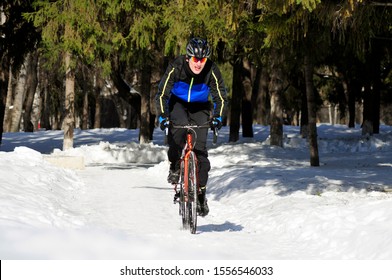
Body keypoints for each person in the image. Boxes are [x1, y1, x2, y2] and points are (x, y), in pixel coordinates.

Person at [155, 37, 227, 217]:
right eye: (195, 59)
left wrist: (218, 118)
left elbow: (221, 98)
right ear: (188, 58)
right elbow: (162, 93)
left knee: (200, 151)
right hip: (177, 104)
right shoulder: (177, 66)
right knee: (176, 139)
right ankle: (175, 166)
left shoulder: (211, 69)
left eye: (202, 60)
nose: (199, 64)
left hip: (200, 107)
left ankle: (201, 193)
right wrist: (163, 116)